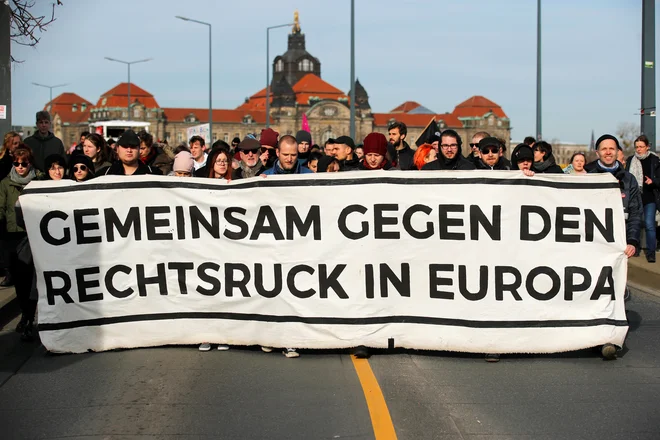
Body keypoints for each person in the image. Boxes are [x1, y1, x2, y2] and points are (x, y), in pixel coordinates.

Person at [589, 134, 643, 359]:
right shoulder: (587, 177)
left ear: (618, 151)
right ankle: (591, 334)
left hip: (618, 248)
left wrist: (632, 242)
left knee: (616, 292)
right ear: (597, 153)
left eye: (612, 148)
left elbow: (635, 214)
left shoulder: (628, 180)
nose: (608, 152)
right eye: (604, 149)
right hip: (592, 247)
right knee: (594, 290)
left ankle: (610, 338)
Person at [0, 145, 43, 341]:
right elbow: (1, 209)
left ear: (30, 163)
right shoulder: (5, 184)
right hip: (13, 235)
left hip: (35, 235)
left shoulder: (40, 181)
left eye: (23, 163)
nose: (20, 167)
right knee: (20, 281)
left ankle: (30, 317)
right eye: (16, 163)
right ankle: (26, 313)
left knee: (34, 280)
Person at [626, 135, 660, 262]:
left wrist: (653, 181)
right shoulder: (631, 160)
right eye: (637, 147)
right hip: (635, 197)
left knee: (649, 224)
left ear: (647, 147)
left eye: (641, 147)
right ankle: (636, 248)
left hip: (650, 197)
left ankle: (651, 252)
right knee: (636, 223)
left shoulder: (655, 160)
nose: (639, 149)